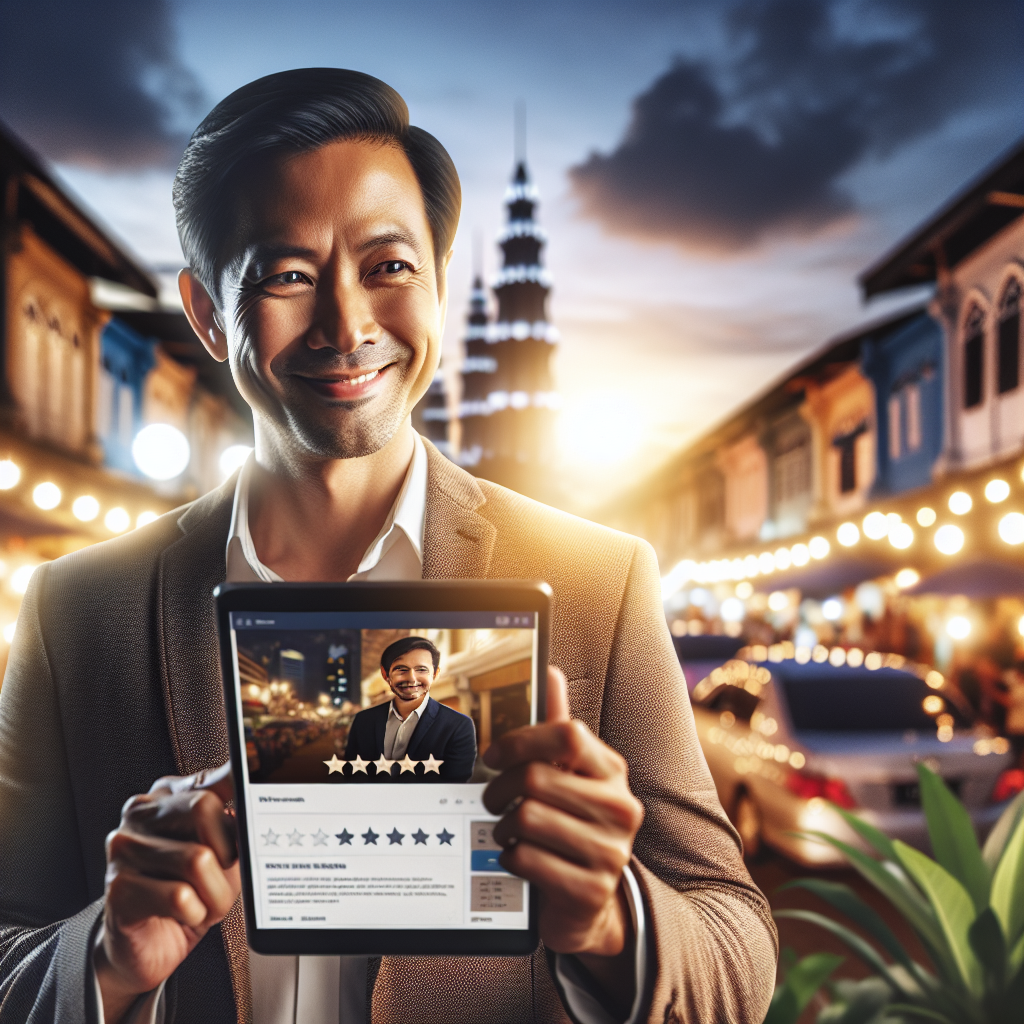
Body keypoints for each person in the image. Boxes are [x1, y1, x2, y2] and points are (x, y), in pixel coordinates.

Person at [0, 69, 776, 1024]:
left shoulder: (597, 582)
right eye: (286, 275)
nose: (347, 325)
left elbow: (738, 946)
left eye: (389, 266)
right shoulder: (80, 610)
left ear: (444, 288)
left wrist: (616, 917)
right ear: (205, 313)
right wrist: (109, 955)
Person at [344, 636, 477, 781]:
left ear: (435, 674)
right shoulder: (364, 721)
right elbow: (353, 777)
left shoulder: (458, 726)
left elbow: (453, 786)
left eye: (421, 669)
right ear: (385, 674)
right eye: (401, 669)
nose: (412, 679)